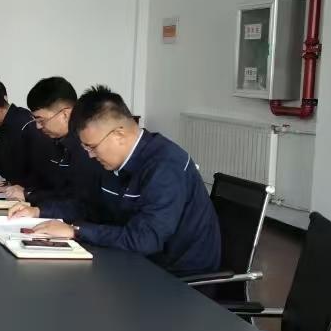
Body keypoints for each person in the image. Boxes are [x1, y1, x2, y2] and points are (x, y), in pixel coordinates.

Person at [14, 85, 221, 276]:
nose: (90, 155)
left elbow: (146, 239)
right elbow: (88, 206)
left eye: (92, 147)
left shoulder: (166, 166)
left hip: (177, 278)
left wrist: (76, 231)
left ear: (119, 134)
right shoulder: (113, 161)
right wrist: (39, 212)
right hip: (133, 260)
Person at [0, 77, 98, 215]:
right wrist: (16, 188)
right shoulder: (56, 142)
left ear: (65, 115)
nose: (38, 126)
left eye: (41, 120)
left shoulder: (87, 148)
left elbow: (77, 202)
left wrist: (32, 200)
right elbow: (48, 185)